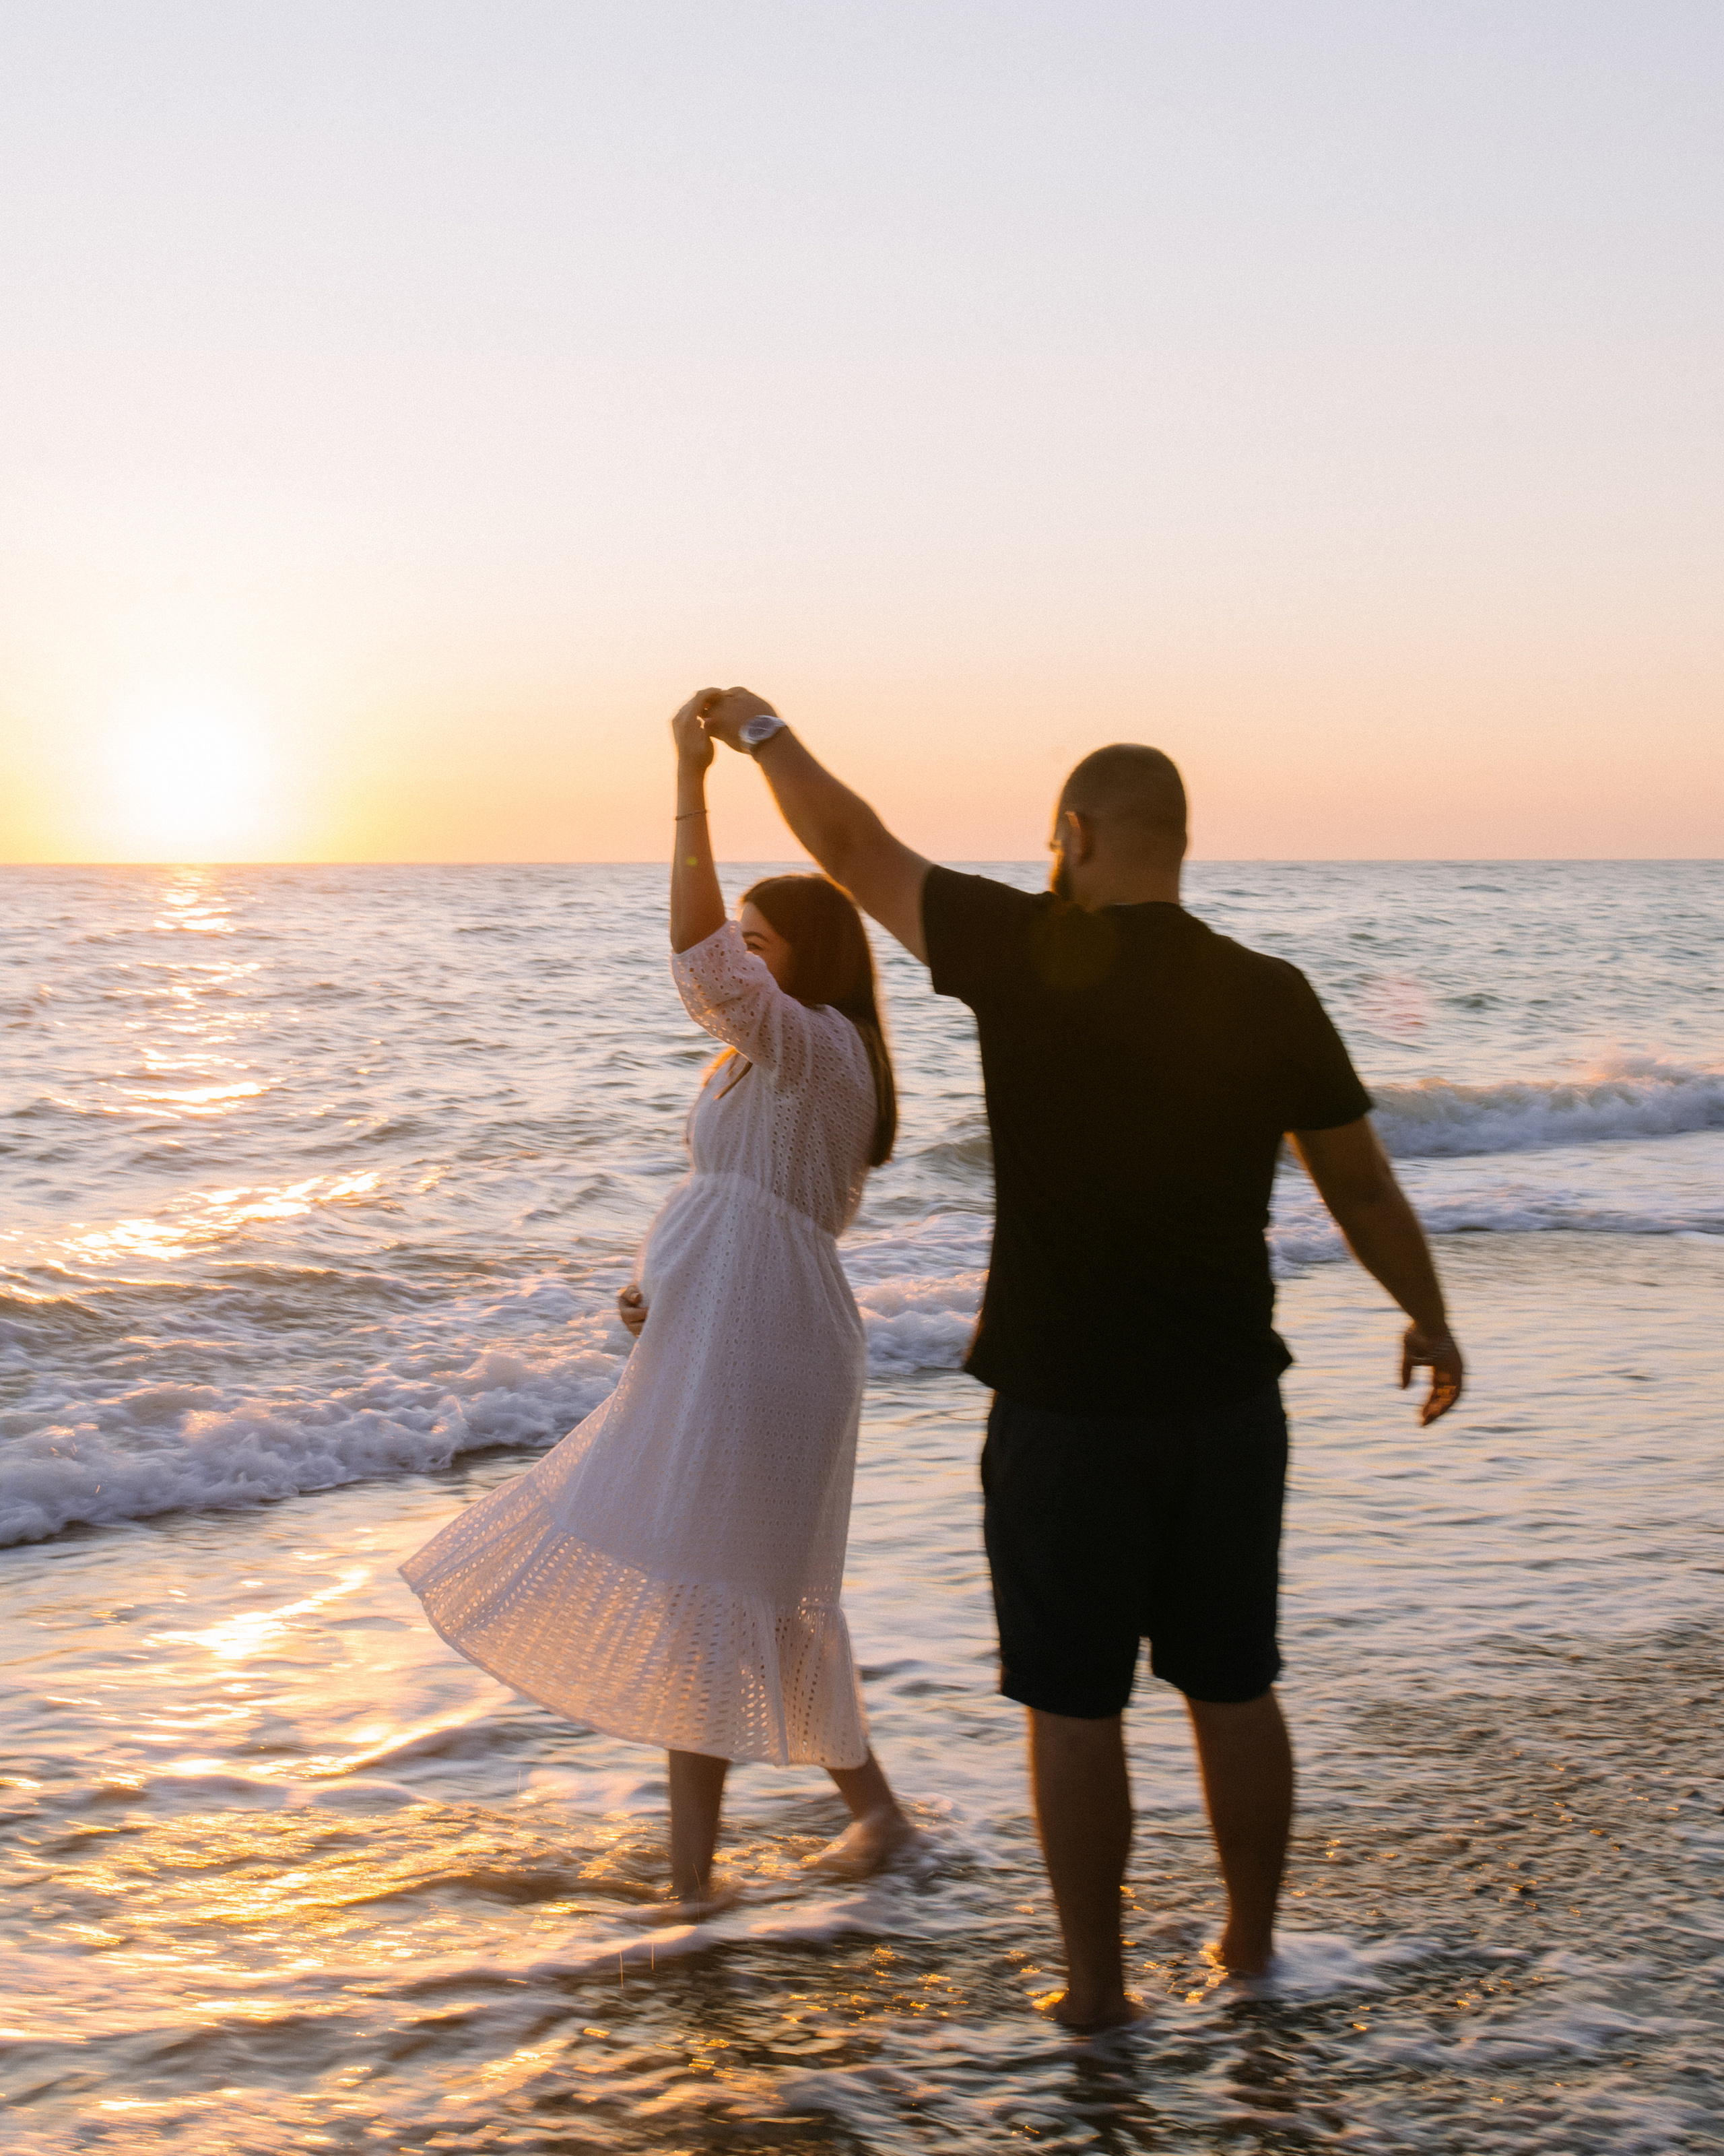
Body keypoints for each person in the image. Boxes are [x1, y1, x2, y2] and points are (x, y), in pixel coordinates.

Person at [698, 686, 1464, 2028]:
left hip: (1063, 1406)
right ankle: (1248, 1953)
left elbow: (852, 843)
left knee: (1072, 1704)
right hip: (1228, 1401)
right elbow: (1361, 1189)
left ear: (1074, 832)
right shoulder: (1268, 992)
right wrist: (1428, 1314)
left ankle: (1097, 1990)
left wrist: (762, 733)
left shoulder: (1017, 944)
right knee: (1234, 1683)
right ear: (1173, 836)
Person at [401, 691, 916, 1912]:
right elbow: (723, 1197)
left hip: (772, 1342)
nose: (741, 955)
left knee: (714, 1592)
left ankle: (694, 1888)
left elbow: (695, 955)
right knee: (753, 1603)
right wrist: (659, 1286)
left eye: (761, 941)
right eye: (746, 943)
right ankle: (878, 1820)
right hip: (723, 1332)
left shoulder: (823, 1046)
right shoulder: (758, 1057)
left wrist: (690, 784)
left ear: (808, 960)